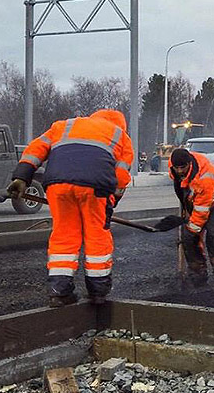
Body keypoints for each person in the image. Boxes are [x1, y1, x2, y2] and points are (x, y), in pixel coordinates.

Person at [8, 109, 133, 307]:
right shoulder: (121, 136)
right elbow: (121, 177)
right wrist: (111, 201)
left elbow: (36, 148)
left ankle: (59, 292)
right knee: (96, 235)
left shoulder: (65, 125)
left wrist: (22, 176)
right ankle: (98, 292)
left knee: (64, 235)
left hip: (57, 184)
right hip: (96, 187)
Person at [165, 148, 214, 287]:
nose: (178, 171)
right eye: (176, 168)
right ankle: (198, 272)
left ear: (189, 164)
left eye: (182, 168)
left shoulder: (205, 177)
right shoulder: (175, 169)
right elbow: (183, 188)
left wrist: (193, 229)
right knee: (188, 237)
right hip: (196, 197)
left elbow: (202, 210)